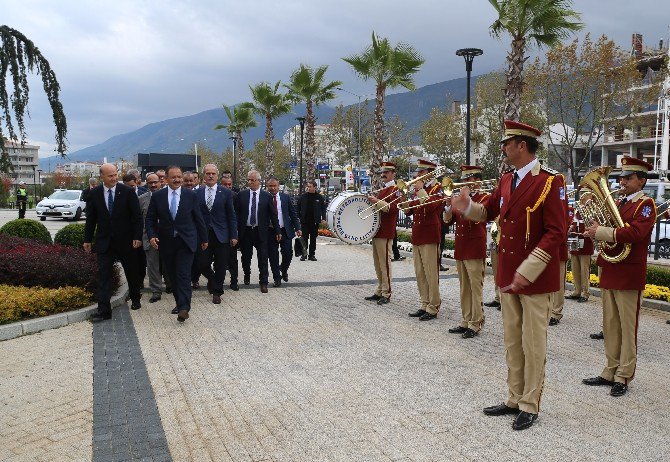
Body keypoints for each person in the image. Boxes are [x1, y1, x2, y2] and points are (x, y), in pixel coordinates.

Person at [452, 120, 567, 431]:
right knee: (512, 341)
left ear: (522, 145)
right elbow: (488, 211)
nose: (502, 148)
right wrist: (467, 207)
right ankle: (514, 397)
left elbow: (557, 232)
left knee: (533, 343)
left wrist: (528, 270)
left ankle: (530, 404)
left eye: (506, 143)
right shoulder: (505, 180)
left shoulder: (550, 182)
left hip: (534, 277)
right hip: (507, 274)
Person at [582, 156, 656, 397]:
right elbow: (613, 232)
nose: (622, 181)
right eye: (621, 177)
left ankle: (624, 376)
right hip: (612, 268)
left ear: (641, 181)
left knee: (627, 326)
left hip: (629, 273)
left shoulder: (645, 205)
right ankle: (610, 369)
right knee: (611, 325)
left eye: (628, 177)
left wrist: (602, 231)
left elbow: (635, 233)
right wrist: (595, 228)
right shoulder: (621, 202)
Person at [146, 166, 208, 322]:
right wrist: (152, 235)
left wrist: (204, 239)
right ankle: (179, 303)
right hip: (166, 242)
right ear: (166, 179)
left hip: (186, 241)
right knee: (173, 276)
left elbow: (198, 218)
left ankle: (184, 307)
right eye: (173, 177)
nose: (177, 179)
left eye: (179, 176)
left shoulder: (190, 195)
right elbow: (150, 219)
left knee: (183, 274)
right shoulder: (158, 196)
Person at [83, 163, 143, 322]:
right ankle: (104, 311)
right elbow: (91, 219)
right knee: (104, 275)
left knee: (131, 271)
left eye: (115, 174)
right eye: (110, 175)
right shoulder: (94, 193)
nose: (114, 178)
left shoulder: (127, 192)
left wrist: (137, 237)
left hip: (126, 240)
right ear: (101, 176)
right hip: (104, 242)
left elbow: (137, 217)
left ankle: (136, 298)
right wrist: (87, 239)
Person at [444, 165, 490, 338]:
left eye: (466, 180)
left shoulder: (484, 198)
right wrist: (448, 207)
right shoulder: (459, 199)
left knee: (475, 287)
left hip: (474, 247)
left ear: (476, 181)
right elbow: (448, 221)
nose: (462, 183)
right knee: (464, 287)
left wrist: (466, 202)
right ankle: (466, 320)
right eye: (462, 180)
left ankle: (476, 322)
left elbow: (477, 218)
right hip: (461, 246)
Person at [400, 158, 443, 321]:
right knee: (420, 273)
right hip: (418, 236)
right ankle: (424, 303)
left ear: (430, 173)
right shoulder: (421, 190)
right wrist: (404, 198)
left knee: (431, 273)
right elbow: (409, 212)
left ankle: (434, 306)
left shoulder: (438, 189)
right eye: (418, 172)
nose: (417, 175)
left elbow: (432, 207)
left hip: (430, 235)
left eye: (421, 172)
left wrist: (420, 191)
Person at [197, 164, 238, 304]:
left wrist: (233, 235)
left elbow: (231, 215)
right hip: (203, 235)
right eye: (207, 173)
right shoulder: (197, 192)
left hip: (222, 234)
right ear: (203, 176)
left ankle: (217, 291)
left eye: (213, 173)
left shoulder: (225, 192)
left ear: (217, 176)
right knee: (201, 263)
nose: (210, 175)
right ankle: (213, 280)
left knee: (221, 264)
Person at [235, 170, 280, 293]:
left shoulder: (267, 196)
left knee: (263, 258)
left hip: (261, 232)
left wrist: (277, 231)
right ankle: (247, 274)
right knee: (246, 257)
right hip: (246, 231)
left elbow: (273, 215)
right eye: (248, 180)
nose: (250, 182)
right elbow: (236, 214)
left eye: (252, 180)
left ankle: (263, 282)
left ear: (259, 181)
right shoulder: (242, 195)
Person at [363, 162, 401, 305]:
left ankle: (387, 292)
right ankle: (380, 289)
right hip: (378, 230)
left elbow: (393, 209)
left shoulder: (396, 189)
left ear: (393, 173)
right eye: (382, 172)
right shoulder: (384, 189)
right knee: (378, 263)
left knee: (385, 263)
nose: (383, 174)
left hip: (386, 231)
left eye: (386, 172)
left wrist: (377, 201)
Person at [266, 177, 301, 287]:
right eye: (270, 186)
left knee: (287, 253)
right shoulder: (264, 198)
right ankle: (277, 278)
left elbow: (292, 213)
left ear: (278, 186)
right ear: (267, 187)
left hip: (285, 230)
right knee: (273, 255)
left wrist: (298, 228)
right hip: (271, 231)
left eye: (274, 186)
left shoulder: (285, 197)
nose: (272, 188)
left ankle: (283, 269)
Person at [140, 174, 163, 303]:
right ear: (146, 184)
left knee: (169, 265)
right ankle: (156, 291)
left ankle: (172, 286)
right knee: (153, 266)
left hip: (167, 237)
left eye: (155, 182)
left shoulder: (167, 196)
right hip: (149, 238)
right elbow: (138, 220)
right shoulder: (141, 199)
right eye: (150, 183)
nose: (153, 185)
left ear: (160, 182)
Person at [549, 189, 571, 326]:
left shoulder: (565, 207)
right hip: (546, 250)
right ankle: (549, 309)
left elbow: (564, 225)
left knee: (558, 283)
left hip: (558, 248)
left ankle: (556, 312)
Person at [566, 206, 594, 303]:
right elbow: (572, 222)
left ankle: (585, 292)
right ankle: (577, 291)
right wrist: (570, 228)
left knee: (584, 269)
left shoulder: (591, 210)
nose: (582, 196)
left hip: (585, 241)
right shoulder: (575, 210)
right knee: (575, 268)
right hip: (574, 239)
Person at [297, 180, 327, 261]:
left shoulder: (319, 197)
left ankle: (312, 255)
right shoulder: (303, 197)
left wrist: (324, 218)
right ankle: (304, 254)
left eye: (310, 186)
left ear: (314, 187)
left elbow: (323, 208)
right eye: (308, 186)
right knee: (304, 239)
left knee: (313, 239)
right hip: (304, 222)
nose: (308, 188)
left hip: (314, 222)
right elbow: (297, 207)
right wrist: (298, 217)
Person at [181, 171, 202, 289]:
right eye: (186, 181)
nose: (189, 183)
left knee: (198, 260)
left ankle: (195, 279)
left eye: (191, 180)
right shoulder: (177, 194)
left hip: (197, 233)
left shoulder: (200, 193)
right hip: (182, 234)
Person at [221, 175, 240, 290]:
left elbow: (237, 215)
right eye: (225, 184)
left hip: (231, 232)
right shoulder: (215, 195)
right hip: (218, 232)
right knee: (220, 259)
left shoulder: (235, 196)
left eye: (230, 185)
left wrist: (235, 233)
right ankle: (218, 281)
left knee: (232, 259)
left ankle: (234, 281)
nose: (228, 187)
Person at [484, 218, 502, 310]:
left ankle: (505, 299)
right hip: (494, 232)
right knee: (496, 269)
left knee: (504, 271)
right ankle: (498, 297)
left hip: (504, 235)